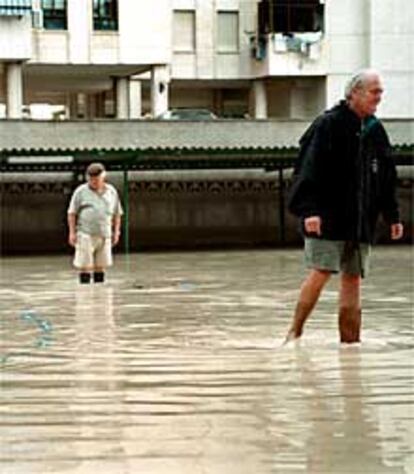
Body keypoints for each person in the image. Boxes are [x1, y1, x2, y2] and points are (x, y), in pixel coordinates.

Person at [285, 69, 403, 344]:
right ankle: (295, 331)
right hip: (326, 216)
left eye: (380, 91)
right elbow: (307, 169)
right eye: (375, 91)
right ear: (355, 93)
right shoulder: (328, 124)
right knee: (322, 270)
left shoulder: (375, 130)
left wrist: (392, 215)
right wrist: (309, 210)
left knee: (353, 277)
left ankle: (350, 344)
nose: (379, 97)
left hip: (360, 219)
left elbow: (386, 176)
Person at [67, 162, 123, 284]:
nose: (94, 182)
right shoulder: (80, 191)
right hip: (85, 233)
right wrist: (72, 233)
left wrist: (116, 231)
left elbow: (117, 213)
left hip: (105, 234)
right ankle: (85, 296)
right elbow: (72, 213)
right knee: (85, 266)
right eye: (91, 180)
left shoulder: (111, 191)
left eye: (97, 179)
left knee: (101, 266)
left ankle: (100, 297)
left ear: (103, 177)